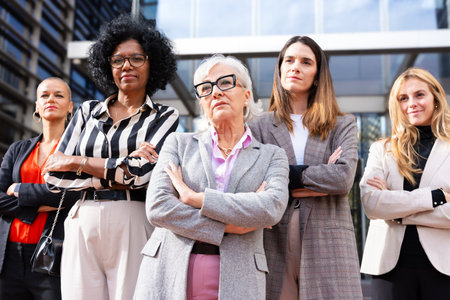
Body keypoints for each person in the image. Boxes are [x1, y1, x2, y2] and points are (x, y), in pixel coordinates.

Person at [42, 15, 179, 300]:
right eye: (118, 60)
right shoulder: (85, 112)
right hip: (82, 218)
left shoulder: (165, 117)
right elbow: (53, 176)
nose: (126, 65)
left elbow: (141, 174)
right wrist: (121, 167)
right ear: (109, 66)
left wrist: (77, 162)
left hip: (133, 218)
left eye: (136, 58)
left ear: (152, 63)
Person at [133, 54, 289, 300]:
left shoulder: (272, 156)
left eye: (225, 83)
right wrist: (230, 226)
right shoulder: (178, 143)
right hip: (169, 270)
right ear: (201, 102)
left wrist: (195, 198)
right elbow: (159, 207)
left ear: (246, 95)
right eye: (206, 88)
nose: (215, 93)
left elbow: (270, 209)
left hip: (240, 276)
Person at [249, 36, 362, 299]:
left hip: (327, 240)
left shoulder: (342, 124)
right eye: (289, 60)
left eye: (305, 62)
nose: (295, 67)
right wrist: (318, 177)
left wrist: (285, 177)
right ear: (279, 69)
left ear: (318, 74)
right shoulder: (259, 126)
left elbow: (343, 179)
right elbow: (255, 181)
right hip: (273, 238)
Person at [360, 67, 450, 300]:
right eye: (403, 98)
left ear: (436, 98)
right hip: (388, 267)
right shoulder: (381, 149)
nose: (412, 103)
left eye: (420, 95)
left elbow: (384, 207)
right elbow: (372, 204)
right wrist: (435, 197)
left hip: (444, 266)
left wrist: (396, 212)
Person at [0, 77, 79, 300]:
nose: (50, 99)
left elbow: (71, 196)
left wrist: (21, 190)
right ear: (37, 106)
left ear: (70, 106)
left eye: (59, 95)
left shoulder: (77, 151)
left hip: (51, 256)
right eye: (44, 95)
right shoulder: (18, 149)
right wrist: (36, 206)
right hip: (9, 257)